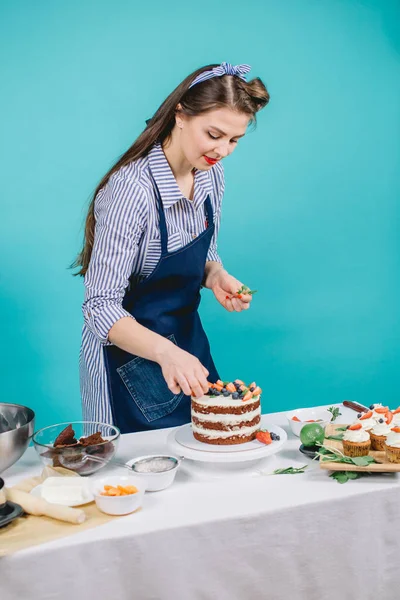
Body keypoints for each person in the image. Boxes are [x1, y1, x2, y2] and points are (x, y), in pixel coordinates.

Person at [74, 62, 270, 433]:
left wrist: (216, 275)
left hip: (186, 347)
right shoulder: (130, 191)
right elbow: (99, 308)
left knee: (208, 458)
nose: (223, 150)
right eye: (213, 134)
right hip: (127, 362)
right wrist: (167, 354)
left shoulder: (211, 173)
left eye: (234, 140)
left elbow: (205, 250)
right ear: (181, 114)